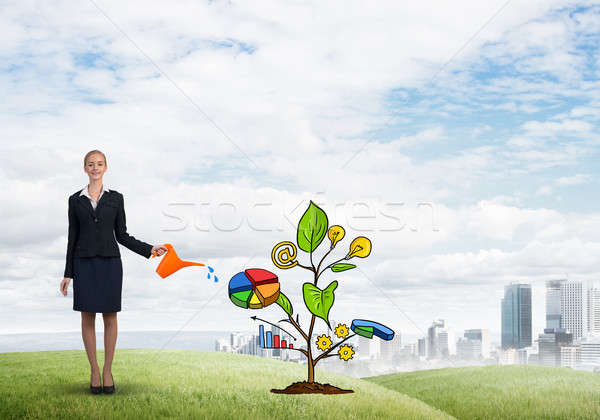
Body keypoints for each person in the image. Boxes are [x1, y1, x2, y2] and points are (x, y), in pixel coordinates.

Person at [59, 150, 168, 394]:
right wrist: (68, 273)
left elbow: (122, 235)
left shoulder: (116, 198)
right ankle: (94, 371)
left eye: (99, 164)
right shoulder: (74, 200)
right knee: (87, 317)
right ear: (85, 168)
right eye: (90, 164)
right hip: (83, 263)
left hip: (110, 263)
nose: (95, 168)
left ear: (105, 168)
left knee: (110, 317)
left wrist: (149, 249)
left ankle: (107, 371)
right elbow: (72, 237)